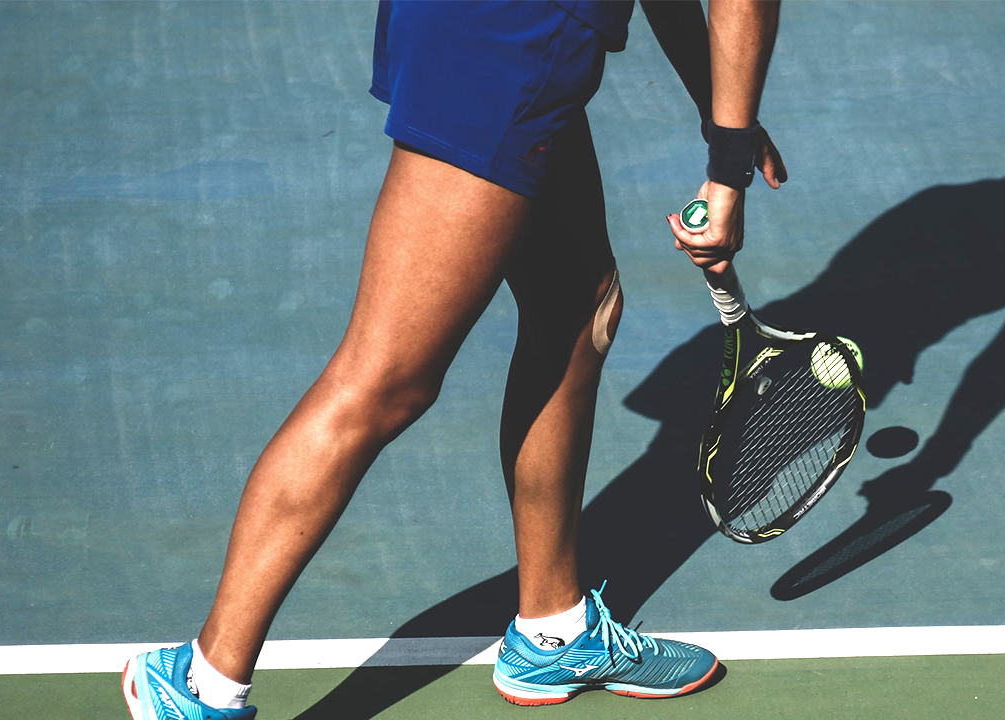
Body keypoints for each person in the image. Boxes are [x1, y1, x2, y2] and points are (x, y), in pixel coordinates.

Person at [122, 1, 785, 717]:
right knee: (384, 380)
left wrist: (723, 127)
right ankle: (200, 687)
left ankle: (554, 630)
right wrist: (726, 166)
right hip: (513, 38)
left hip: (485, 25)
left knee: (578, 309)